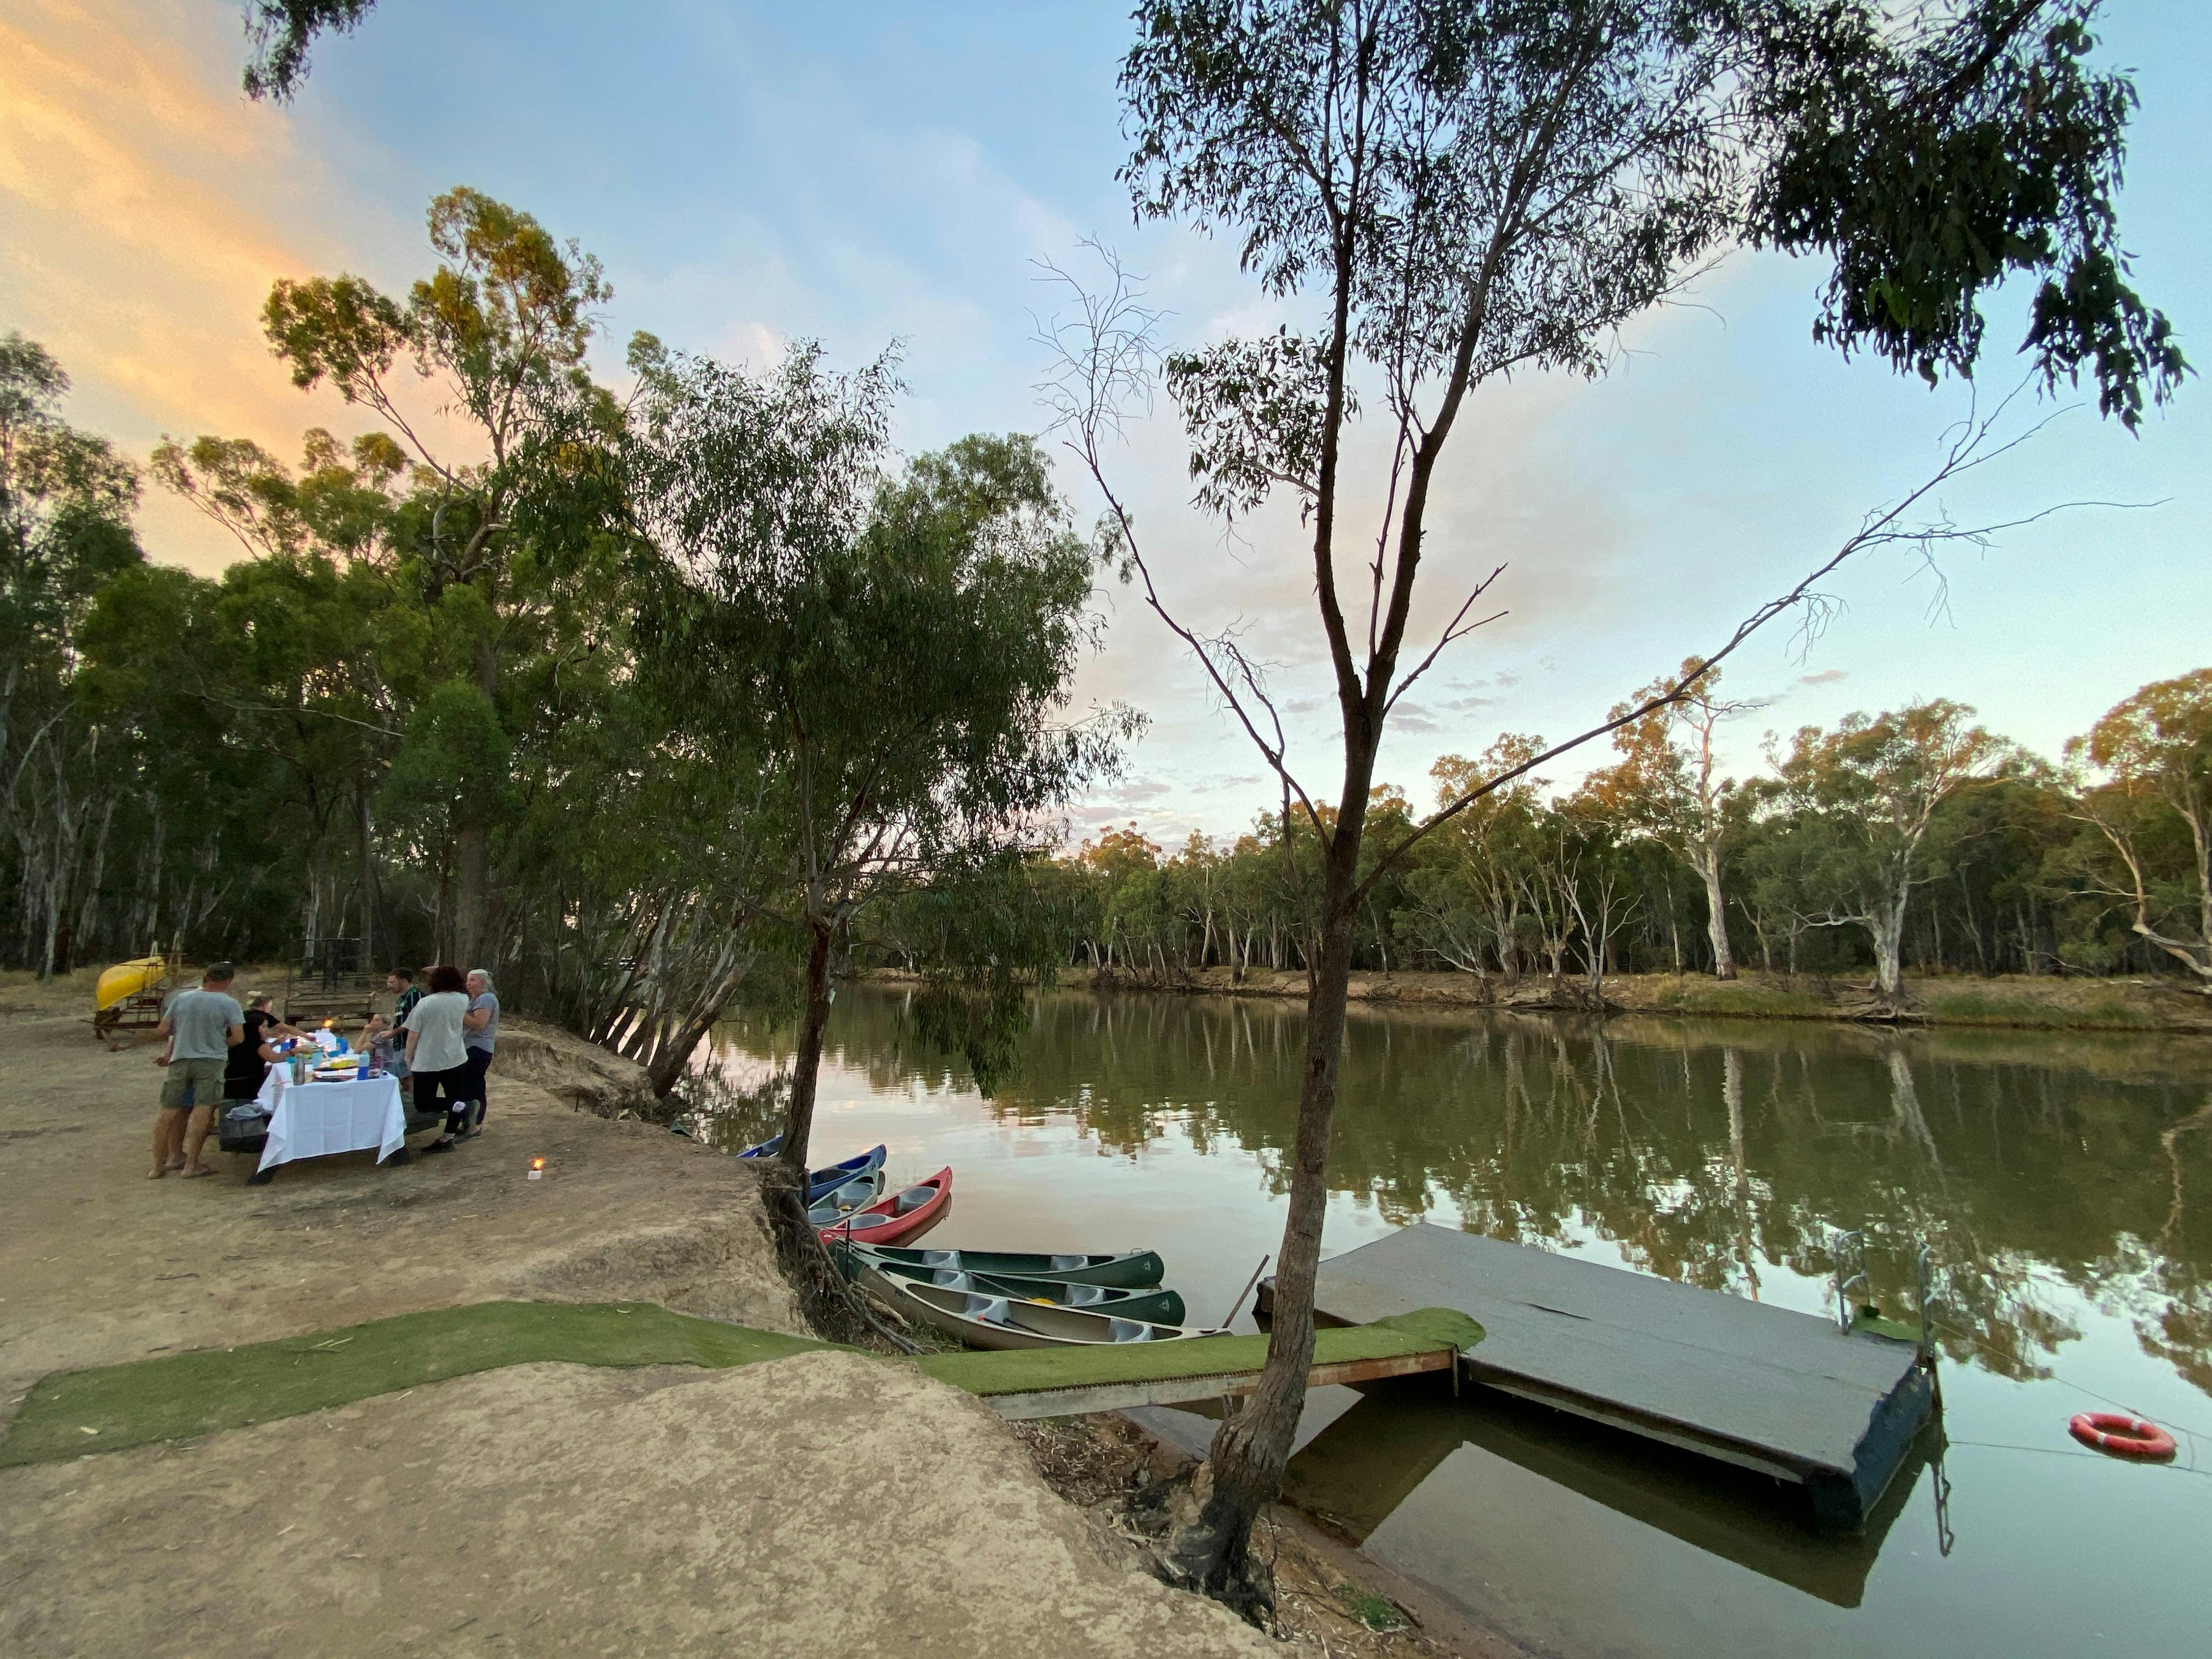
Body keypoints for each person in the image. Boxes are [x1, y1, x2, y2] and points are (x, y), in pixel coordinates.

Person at [150, 963, 244, 1180]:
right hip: (211, 1062)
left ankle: (156, 1167)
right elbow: (239, 1038)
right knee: (202, 1112)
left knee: (167, 1112)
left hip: (181, 1059)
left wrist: (185, 1036)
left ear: (206, 977)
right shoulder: (230, 1004)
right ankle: (191, 1165)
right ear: (229, 981)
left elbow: (162, 1030)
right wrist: (217, 1044)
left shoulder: (181, 999)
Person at [404, 964, 473, 1153]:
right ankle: (448, 1136)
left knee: (423, 1102)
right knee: (454, 1096)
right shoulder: (462, 999)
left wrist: (408, 1056)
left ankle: (459, 1108)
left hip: (429, 1060)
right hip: (456, 1057)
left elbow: (413, 1034)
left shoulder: (426, 1003)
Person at [460, 968, 500, 1137]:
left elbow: (479, 1024)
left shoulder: (486, 999)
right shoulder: (474, 1000)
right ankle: (467, 1122)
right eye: (468, 980)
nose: (468, 984)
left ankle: (476, 1125)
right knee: (466, 1086)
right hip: (470, 1047)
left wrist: (458, 1011)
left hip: (479, 1049)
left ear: (483, 983)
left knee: (475, 1086)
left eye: (473, 980)